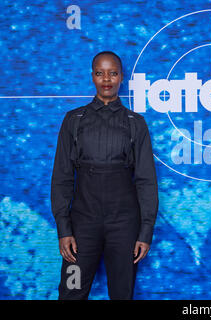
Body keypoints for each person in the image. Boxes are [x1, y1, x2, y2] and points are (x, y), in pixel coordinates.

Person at [51, 51, 158, 300]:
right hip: (81, 226)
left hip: (124, 226)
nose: (106, 79)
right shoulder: (73, 120)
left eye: (113, 73)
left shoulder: (136, 123)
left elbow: (146, 181)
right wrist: (64, 229)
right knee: (71, 291)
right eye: (100, 73)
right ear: (92, 76)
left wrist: (145, 231)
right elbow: (61, 178)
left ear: (122, 77)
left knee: (122, 295)